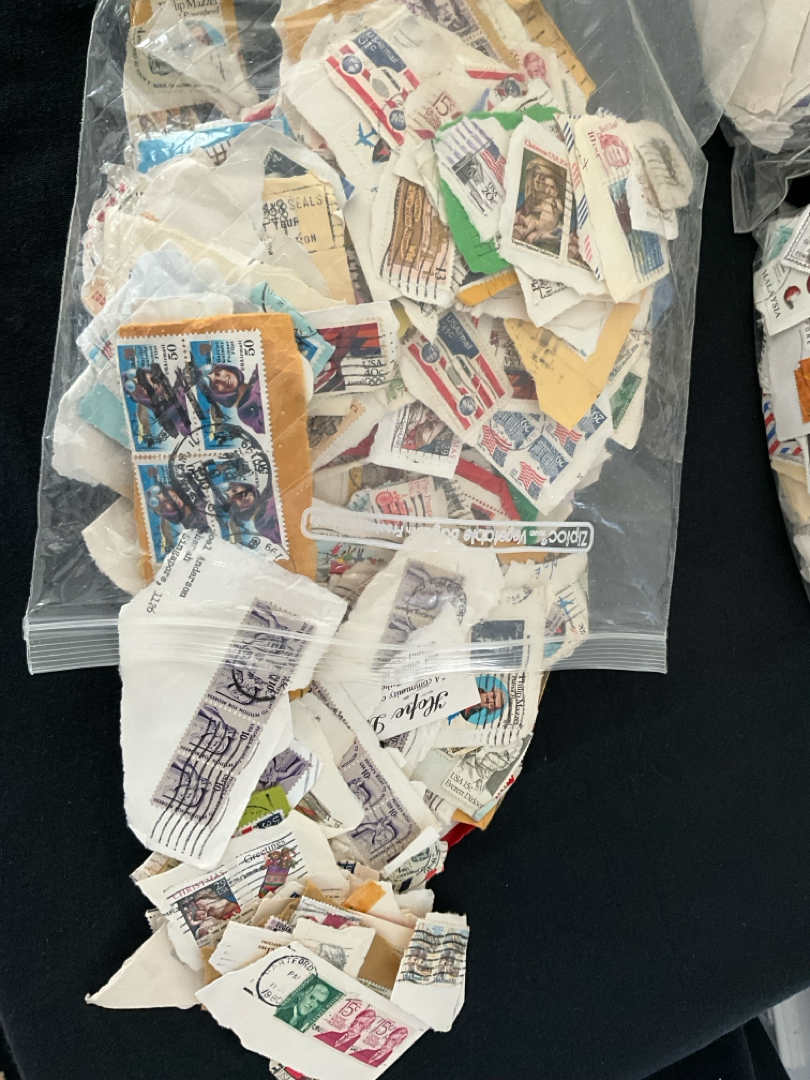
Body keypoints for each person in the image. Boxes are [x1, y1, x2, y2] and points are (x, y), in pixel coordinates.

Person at [512, 156, 566, 251]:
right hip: (538, 225)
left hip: (545, 228)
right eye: (535, 175)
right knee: (531, 219)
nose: (536, 180)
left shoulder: (555, 202)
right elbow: (537, 208)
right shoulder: (522, 199)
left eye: (542, 178)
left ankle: (525, 232)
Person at [197, 362, 265, 435]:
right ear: (217, 395)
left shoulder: (255, 376)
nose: (222, 380)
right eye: (216, 385)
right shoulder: (244, 412)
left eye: (218, 373)